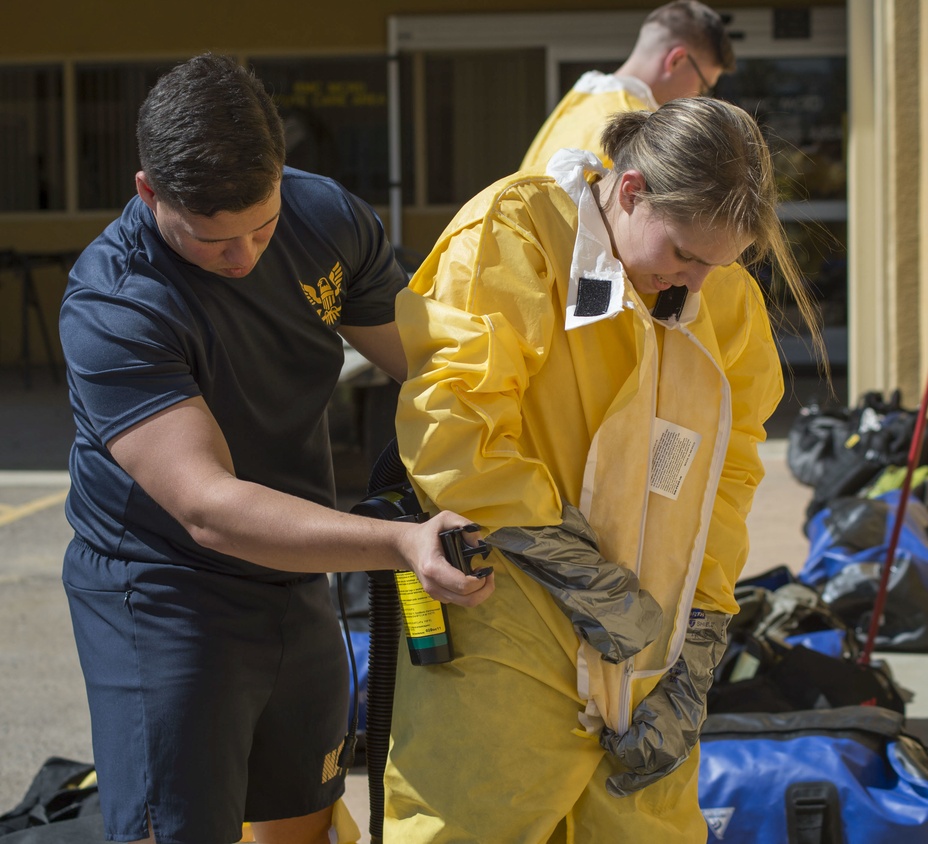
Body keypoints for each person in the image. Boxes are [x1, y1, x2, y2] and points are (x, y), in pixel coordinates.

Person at [57, 53, 493, 844]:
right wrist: (399, 542)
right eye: (212, 240)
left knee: (304, 819)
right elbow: (209, 507)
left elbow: (431, 370)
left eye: (260, 227)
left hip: (294, 576)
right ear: (148, 191)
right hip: (166, 595)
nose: (244, 258)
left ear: (282, 173)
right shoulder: (116, 304)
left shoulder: (324, 216)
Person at [383, 98, 825, 842]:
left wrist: (700, 647)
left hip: (650, 657)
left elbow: (729, 474)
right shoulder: (517, 233)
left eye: (721, 263)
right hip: (509, 630)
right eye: (683, 253)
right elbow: (452, 424)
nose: (695, 282)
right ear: (630, 190)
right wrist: (580, 574)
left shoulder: (724, 300)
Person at [521, 0, 735, 171]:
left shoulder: (575, 106)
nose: (698, 97)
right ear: (676, 60)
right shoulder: (637, 130)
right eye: (704, 85)